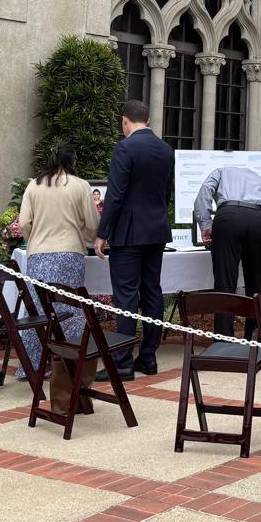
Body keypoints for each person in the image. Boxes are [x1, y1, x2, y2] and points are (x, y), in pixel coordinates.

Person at [16, 142, 101, 412]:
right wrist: (89, 239)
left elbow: (24, 223)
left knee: (40, 309)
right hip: (69, 253)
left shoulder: (34, 185)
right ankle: (67, 364)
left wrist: (34, 242)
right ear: (73, 160)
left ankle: (32, 365)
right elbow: (91, 223)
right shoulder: (79, 185)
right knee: (69, 309)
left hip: (39, 253)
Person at [94, 101, 175, 380]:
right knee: (152, 291)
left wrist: (102, 233)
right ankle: (149, 357)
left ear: (124, 121)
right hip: (156, 229)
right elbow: (167, 192)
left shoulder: (124, 148)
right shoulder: (166, 150)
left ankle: (122, 361)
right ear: (149, 120)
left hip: (129, 232)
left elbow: (114, 196)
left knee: (126, 295)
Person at [193, 164, 261, 339]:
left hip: (229, 217)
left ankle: (224, 339)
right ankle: (256, 338)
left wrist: (206, 225)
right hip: (260, 219)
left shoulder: (220, 171)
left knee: (225, 281)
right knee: (255, 282)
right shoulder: (260, 179)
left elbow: (203, 195)